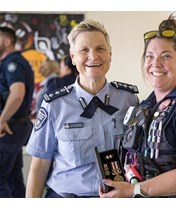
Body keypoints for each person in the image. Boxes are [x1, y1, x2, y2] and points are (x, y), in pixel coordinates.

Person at [99, 14, 176, 198]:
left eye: (166, 56)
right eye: (150, 56)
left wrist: (134, 191)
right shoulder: (145, 106)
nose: (155, 63)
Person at [25, 19, 139, 198]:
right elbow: (39, 165)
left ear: (110, 54)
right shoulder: (55, 105)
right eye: (84, 50)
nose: (93, 56)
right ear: (73, 57)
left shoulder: (129, 99)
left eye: (100, 49)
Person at [0, 26, 34, 197]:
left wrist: (1, 119)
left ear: (7, 41)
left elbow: (17, 94)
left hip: (10, 129)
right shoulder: (13, 62)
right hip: (14, 127)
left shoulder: (12, 63)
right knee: (13, 179)